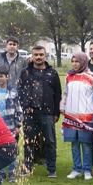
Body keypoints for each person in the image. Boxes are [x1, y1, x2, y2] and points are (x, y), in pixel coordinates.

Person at [16, 45, 62, 178]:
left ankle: (51, 169)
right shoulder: (25, 72)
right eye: (36, 55)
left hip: (47, 113)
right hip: (30, 113)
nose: (38, 57)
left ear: (45, 56)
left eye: (41, 54)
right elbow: (20, 91)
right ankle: (28, 168)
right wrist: (25, 106)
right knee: (29, 141)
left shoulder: (52, 73)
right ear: (32, 56)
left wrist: (56, 113)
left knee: (50, 141)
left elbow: (57, 94)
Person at [61, 52, 93, 181]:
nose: (74, 64)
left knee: (86, 144)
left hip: (86, 117)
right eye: (73, 61)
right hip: (71, 116)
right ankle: (76, 168)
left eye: (77, 61)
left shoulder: (91, 76)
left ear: (83, 62)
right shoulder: (69, 76)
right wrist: (62, 105)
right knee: (74, 143)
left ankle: (87, 170)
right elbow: (65, 93)